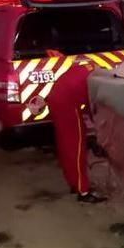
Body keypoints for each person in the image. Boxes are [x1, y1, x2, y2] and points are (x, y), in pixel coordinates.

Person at [47, 61, 108, 204]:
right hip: (67, 105)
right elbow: (93, 107)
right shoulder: (96, 81)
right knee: (77, 147)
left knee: (66, 146)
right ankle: (83, 191)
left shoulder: (89, 67)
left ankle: (74, 184)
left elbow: (89, 107)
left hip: (56, 100)